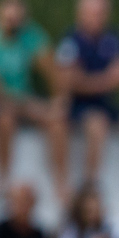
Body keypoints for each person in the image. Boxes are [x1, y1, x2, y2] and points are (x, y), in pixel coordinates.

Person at [54, 0, 119, 189]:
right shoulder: (70, 40)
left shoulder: (115, 38)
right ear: (81, 14)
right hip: (79, 105)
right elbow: (68, 81)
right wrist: (107, 80)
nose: (98, 17)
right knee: (97, 125)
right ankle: (90, 186)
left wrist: (89, 81)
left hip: (107, 103)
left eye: (101, 13)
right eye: (93, 13)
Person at [0, 0, 67, 205]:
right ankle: (5, 178)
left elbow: (53, 71)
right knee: (5, 120)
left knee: (56, 124)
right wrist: (33, 107)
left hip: (23, 103)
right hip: (11, 105)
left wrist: (58, 100)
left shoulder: (30, 35)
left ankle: (60, 183)